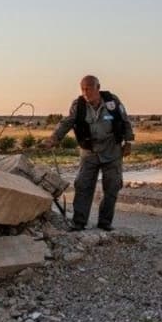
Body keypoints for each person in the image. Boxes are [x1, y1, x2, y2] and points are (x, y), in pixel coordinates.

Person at [43, 75, 134, 231]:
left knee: (112, 186)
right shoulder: (78, 105)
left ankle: (105, 223)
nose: (85, 92)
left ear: (98, 88)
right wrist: (53, 139)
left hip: (112, 150)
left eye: (89, 88)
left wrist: (128, 142)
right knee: (83, 185)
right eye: (83, 89)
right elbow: (67, 123)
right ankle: (79, 222)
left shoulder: (112, 101)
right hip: (89, 151)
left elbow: (125, 120)